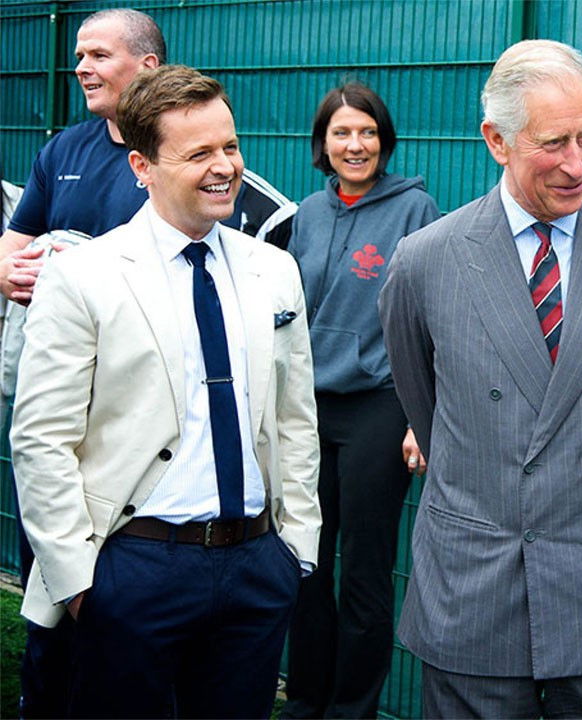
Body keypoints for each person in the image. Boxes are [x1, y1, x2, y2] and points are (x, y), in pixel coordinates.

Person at [379, 39, 582, 719]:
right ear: (497, 140)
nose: (577, 164)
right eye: (554, 143)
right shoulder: (425, 260)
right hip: (476, 585)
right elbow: (426, 408)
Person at [10, 64, 322, 718]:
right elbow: (42, 439)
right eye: (198, 152)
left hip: (256, 568)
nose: (224, 167)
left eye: (230, 146)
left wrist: (296, 551)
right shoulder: (85, 277)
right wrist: (80, 583)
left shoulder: (275, 270)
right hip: (131, 568)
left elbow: (295, 419)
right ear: (142, 166)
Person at [282, 81, 440, 720]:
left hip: (379, 406)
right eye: (343, 132)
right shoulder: (307, 214)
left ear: (384, 140)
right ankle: (305, 702)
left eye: (367, 132)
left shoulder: (415, 210)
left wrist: (418, 416)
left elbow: (431, 318)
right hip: (306, 410)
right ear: (323, 142)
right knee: (305, 566)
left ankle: (352, 710)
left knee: (366, 576)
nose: (356, 144)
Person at [0, 8, 294, 307]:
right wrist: (7, 272)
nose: (81, 68)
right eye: (80, 57)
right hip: (67, 333)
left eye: (99, 56)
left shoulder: (217, 180)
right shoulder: (62, 149)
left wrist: (93, 284)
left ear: (148, 66)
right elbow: (15, 239)